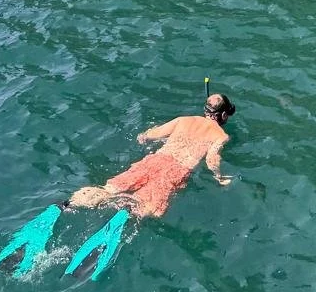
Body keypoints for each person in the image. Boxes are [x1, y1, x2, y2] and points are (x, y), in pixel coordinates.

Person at [66, 93, 236, 219]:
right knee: (145, 207)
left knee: (110, 188)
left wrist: (144, 136)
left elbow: (150, 135)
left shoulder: (183, 120)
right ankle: (124, 216)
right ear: (223, 115)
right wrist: (219, 177)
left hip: (155, 160)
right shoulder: (220, 135)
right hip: (176, 171)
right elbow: (212, 159)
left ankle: (70, 204)